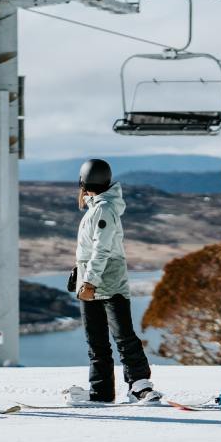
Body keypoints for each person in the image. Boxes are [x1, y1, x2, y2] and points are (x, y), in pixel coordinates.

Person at [63, 158, 162, 405]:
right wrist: (84, 278)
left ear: (83, 181)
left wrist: (90, 282)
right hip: (92, 283)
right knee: (96, 341)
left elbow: (102, 250)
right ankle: (101, 391)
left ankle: (139, 386)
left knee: (123, 337)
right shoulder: (97, 208)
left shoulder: (104, 209)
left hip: (106, 285)